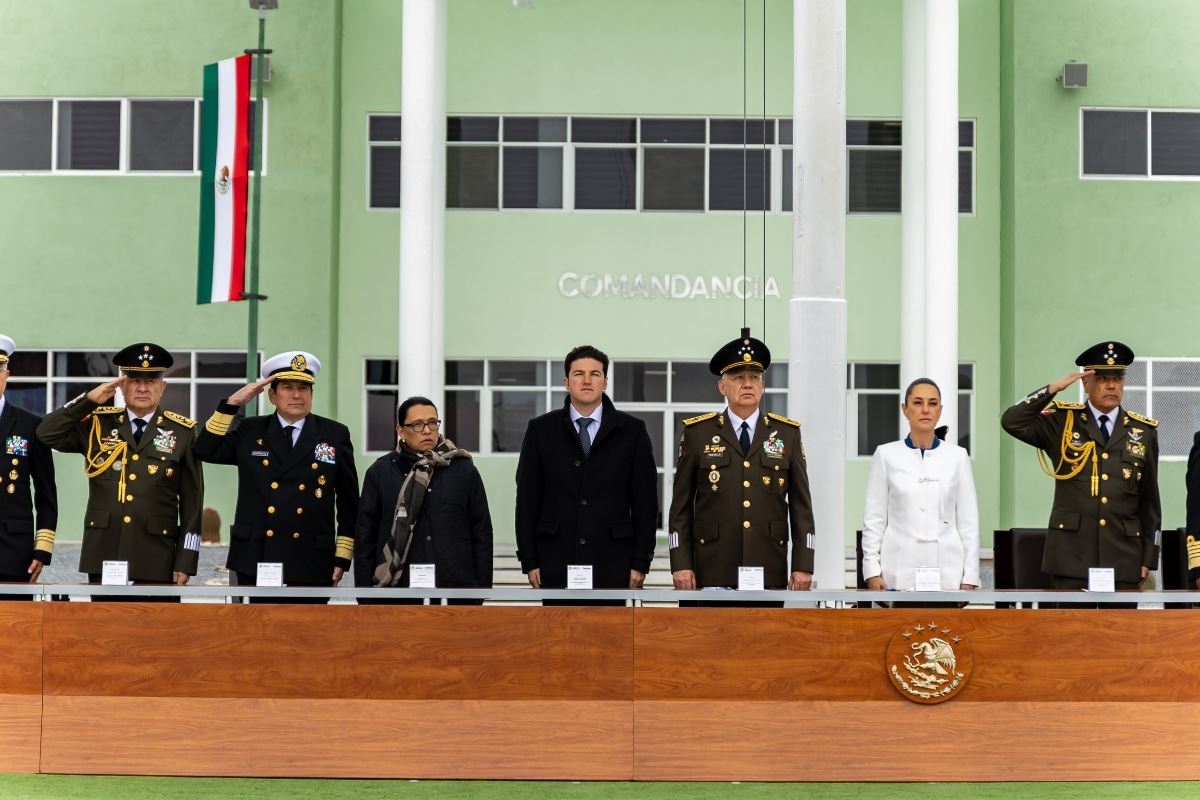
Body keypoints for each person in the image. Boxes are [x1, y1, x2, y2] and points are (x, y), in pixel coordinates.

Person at [36, 342, 203, 593]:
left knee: (157, 629)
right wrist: (88, 400)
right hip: (104, 551)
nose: (143, 388)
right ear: (122, 386)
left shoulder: (182, 432)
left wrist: (186, 560)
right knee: (104, 629)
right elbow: (46, 433)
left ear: (163, 386)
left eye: (151, 381)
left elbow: (192, 502)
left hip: (158, 556)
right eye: (134, 380)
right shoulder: (98, 425)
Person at [194, 351, 358, 602]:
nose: (296, 395)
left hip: (311, 557)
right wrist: (232, 404)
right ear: (272, 395)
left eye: (304, 388)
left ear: (311, 394)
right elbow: (205, 449)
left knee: (307, 636)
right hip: (257, 555)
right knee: (256, 634)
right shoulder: (251, 430)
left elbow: (349, 501)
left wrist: (342, 556)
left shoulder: (334, 434)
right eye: (288, 387)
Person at [1001, 341, 1159, 596]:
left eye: (1117, 379)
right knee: (1071, 635)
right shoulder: (1062, 422)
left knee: (1120, 635)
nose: (1111, 385)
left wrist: (1148, 557)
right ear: (1085, 383)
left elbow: (1150, 501)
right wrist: (1052, 389)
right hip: (1071, 557)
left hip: (1123, 558)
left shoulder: (1142, 432)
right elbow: (1012, 421)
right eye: (1102, 378)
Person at [668, 328, 815, 599]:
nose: (747, 384)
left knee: (765, 640)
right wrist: (681, 563)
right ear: (722, 387)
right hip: (710, 568)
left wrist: (803, 564)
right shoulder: (698, 433)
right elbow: (680, 506)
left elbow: (801, 506)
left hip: (768, 567)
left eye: (754, 377)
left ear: (762, 386)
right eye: (738, 377)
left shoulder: (786, 434)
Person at [515, 345, 658, 605]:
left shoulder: (632, 431)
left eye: (595, 373)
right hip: (554, 558)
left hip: (613, 560)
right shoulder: (541, 431)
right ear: (566, 382)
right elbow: (526, 501)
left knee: (609, 639)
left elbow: (645, 503)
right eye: (579, 373)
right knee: (558, 638)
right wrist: (530, 559)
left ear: (605, 381)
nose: (587, 380)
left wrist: (641, 561)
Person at [356, 396, 492, 603]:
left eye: (432, 423)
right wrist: (365, 595)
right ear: (400, 431)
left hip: (455, 590)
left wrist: (480, 591)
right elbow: (366, 536)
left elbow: (481, 532)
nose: (427, 430)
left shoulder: (463, 471)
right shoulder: (381, 472)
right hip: (395, 592)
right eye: (417, 425)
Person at [862, 378, 979, 598]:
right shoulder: (886, 455)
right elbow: (874, 518)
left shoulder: (957, 457)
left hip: (948, 572)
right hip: (897, 571)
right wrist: (872, 571)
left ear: (940, 410)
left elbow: (968, 521)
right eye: (917, 402)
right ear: (905, 409)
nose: (925, 410)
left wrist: (970, 576)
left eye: (933, 403)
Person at [0, 335, 58, 599]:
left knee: (18, 631)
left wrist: (42, 549)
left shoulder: (31, 425)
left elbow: (46, 493)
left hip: (13, 550)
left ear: (6, 374)